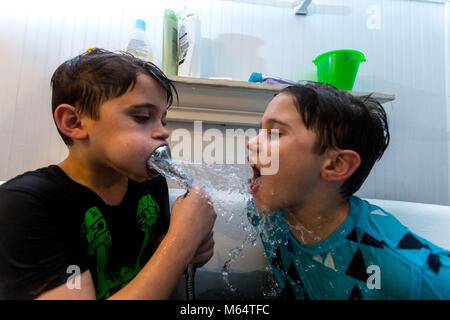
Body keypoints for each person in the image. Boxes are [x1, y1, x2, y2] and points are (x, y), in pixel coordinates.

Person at [0, 48, 216, 300]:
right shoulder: (25, 203)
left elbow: (159, 260)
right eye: (143, 117)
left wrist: (194, 248)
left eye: (162, 120)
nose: (163, 133)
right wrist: (183, 239)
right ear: (73, 122)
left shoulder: (151, 182)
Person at [246, 83, 450, 299]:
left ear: (336, 165)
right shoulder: (270, 218)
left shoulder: (401, 266)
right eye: (260, 130)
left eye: (275, 133)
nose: (251, 143)